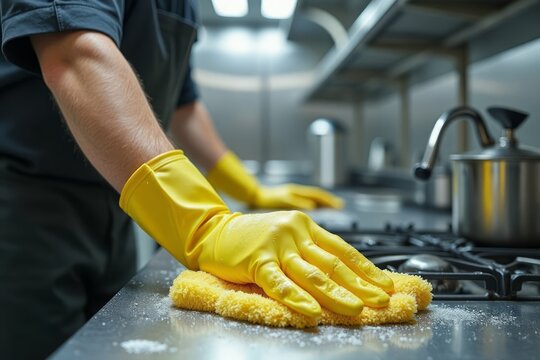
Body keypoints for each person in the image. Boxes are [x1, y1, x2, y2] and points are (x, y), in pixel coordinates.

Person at [0, 1, 394, 359]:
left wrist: (245, 187)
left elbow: (183, 106)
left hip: (121, 204)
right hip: (28, 210)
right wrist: (204, 225)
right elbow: (71, 54)